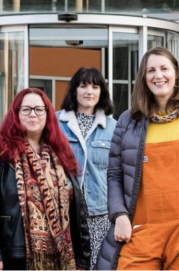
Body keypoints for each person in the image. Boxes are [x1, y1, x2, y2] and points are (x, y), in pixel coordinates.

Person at [97, 47, 179, 270]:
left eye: (164, 69)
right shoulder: (128, 121)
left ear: (176, 74)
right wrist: (119, 215)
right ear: (144, 78)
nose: (158, 75)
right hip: (140, 231)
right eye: (151, 70)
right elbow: (115, 174)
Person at [0, 88, 92, 270]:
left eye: (39, 109)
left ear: (47, 114)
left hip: (61, 257)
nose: (33, 114)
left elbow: (77, 207)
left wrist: (82, 258)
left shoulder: (61, 154)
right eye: (26, 109)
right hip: (11, 254)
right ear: (16, 114)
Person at [56, 67, 117, 266]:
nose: (89, 91)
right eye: (83, 86)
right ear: (74, 90)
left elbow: (117, 173)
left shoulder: (113, 127)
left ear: (101, 92)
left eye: (95, 86)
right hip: (64, 213)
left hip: (100, 215)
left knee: (98, 266)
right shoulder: (56, 122)